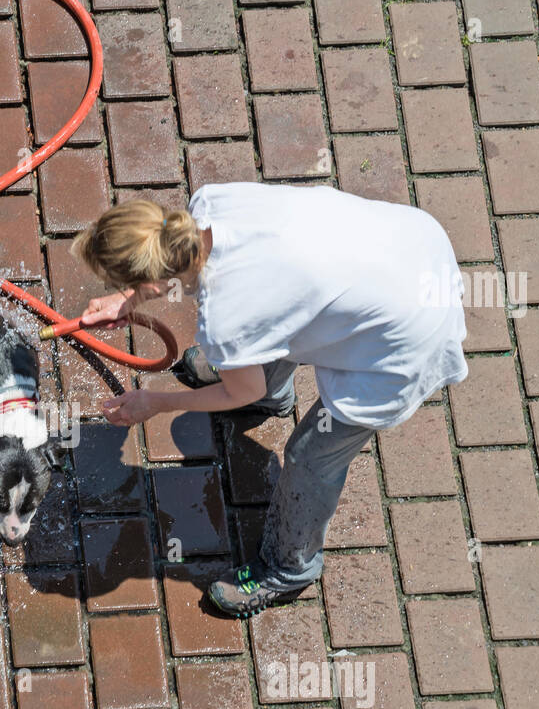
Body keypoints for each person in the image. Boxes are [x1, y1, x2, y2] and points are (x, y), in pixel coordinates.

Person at [71, 183, 468, 617]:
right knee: (270, 322)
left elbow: (244, 388)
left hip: (408, 338)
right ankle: (269, 384)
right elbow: (265, 291)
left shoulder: (228, 316)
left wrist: (157, 403)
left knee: (308, 457)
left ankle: (289, 568)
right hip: (412, 243)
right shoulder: (212, 204)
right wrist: (125, 298)